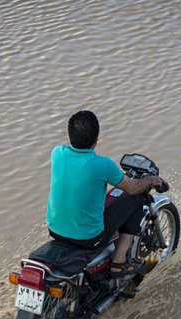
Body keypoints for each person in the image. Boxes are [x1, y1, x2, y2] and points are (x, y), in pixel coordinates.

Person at [46, 110, 164, 276]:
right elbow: (132, 188)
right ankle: (119, 262)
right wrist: (150, 181)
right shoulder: (102, 165)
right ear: (96, 138)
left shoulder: (57, 153)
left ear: (70, 134)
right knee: (137, 198)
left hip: (55, 230)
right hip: (90, 238)